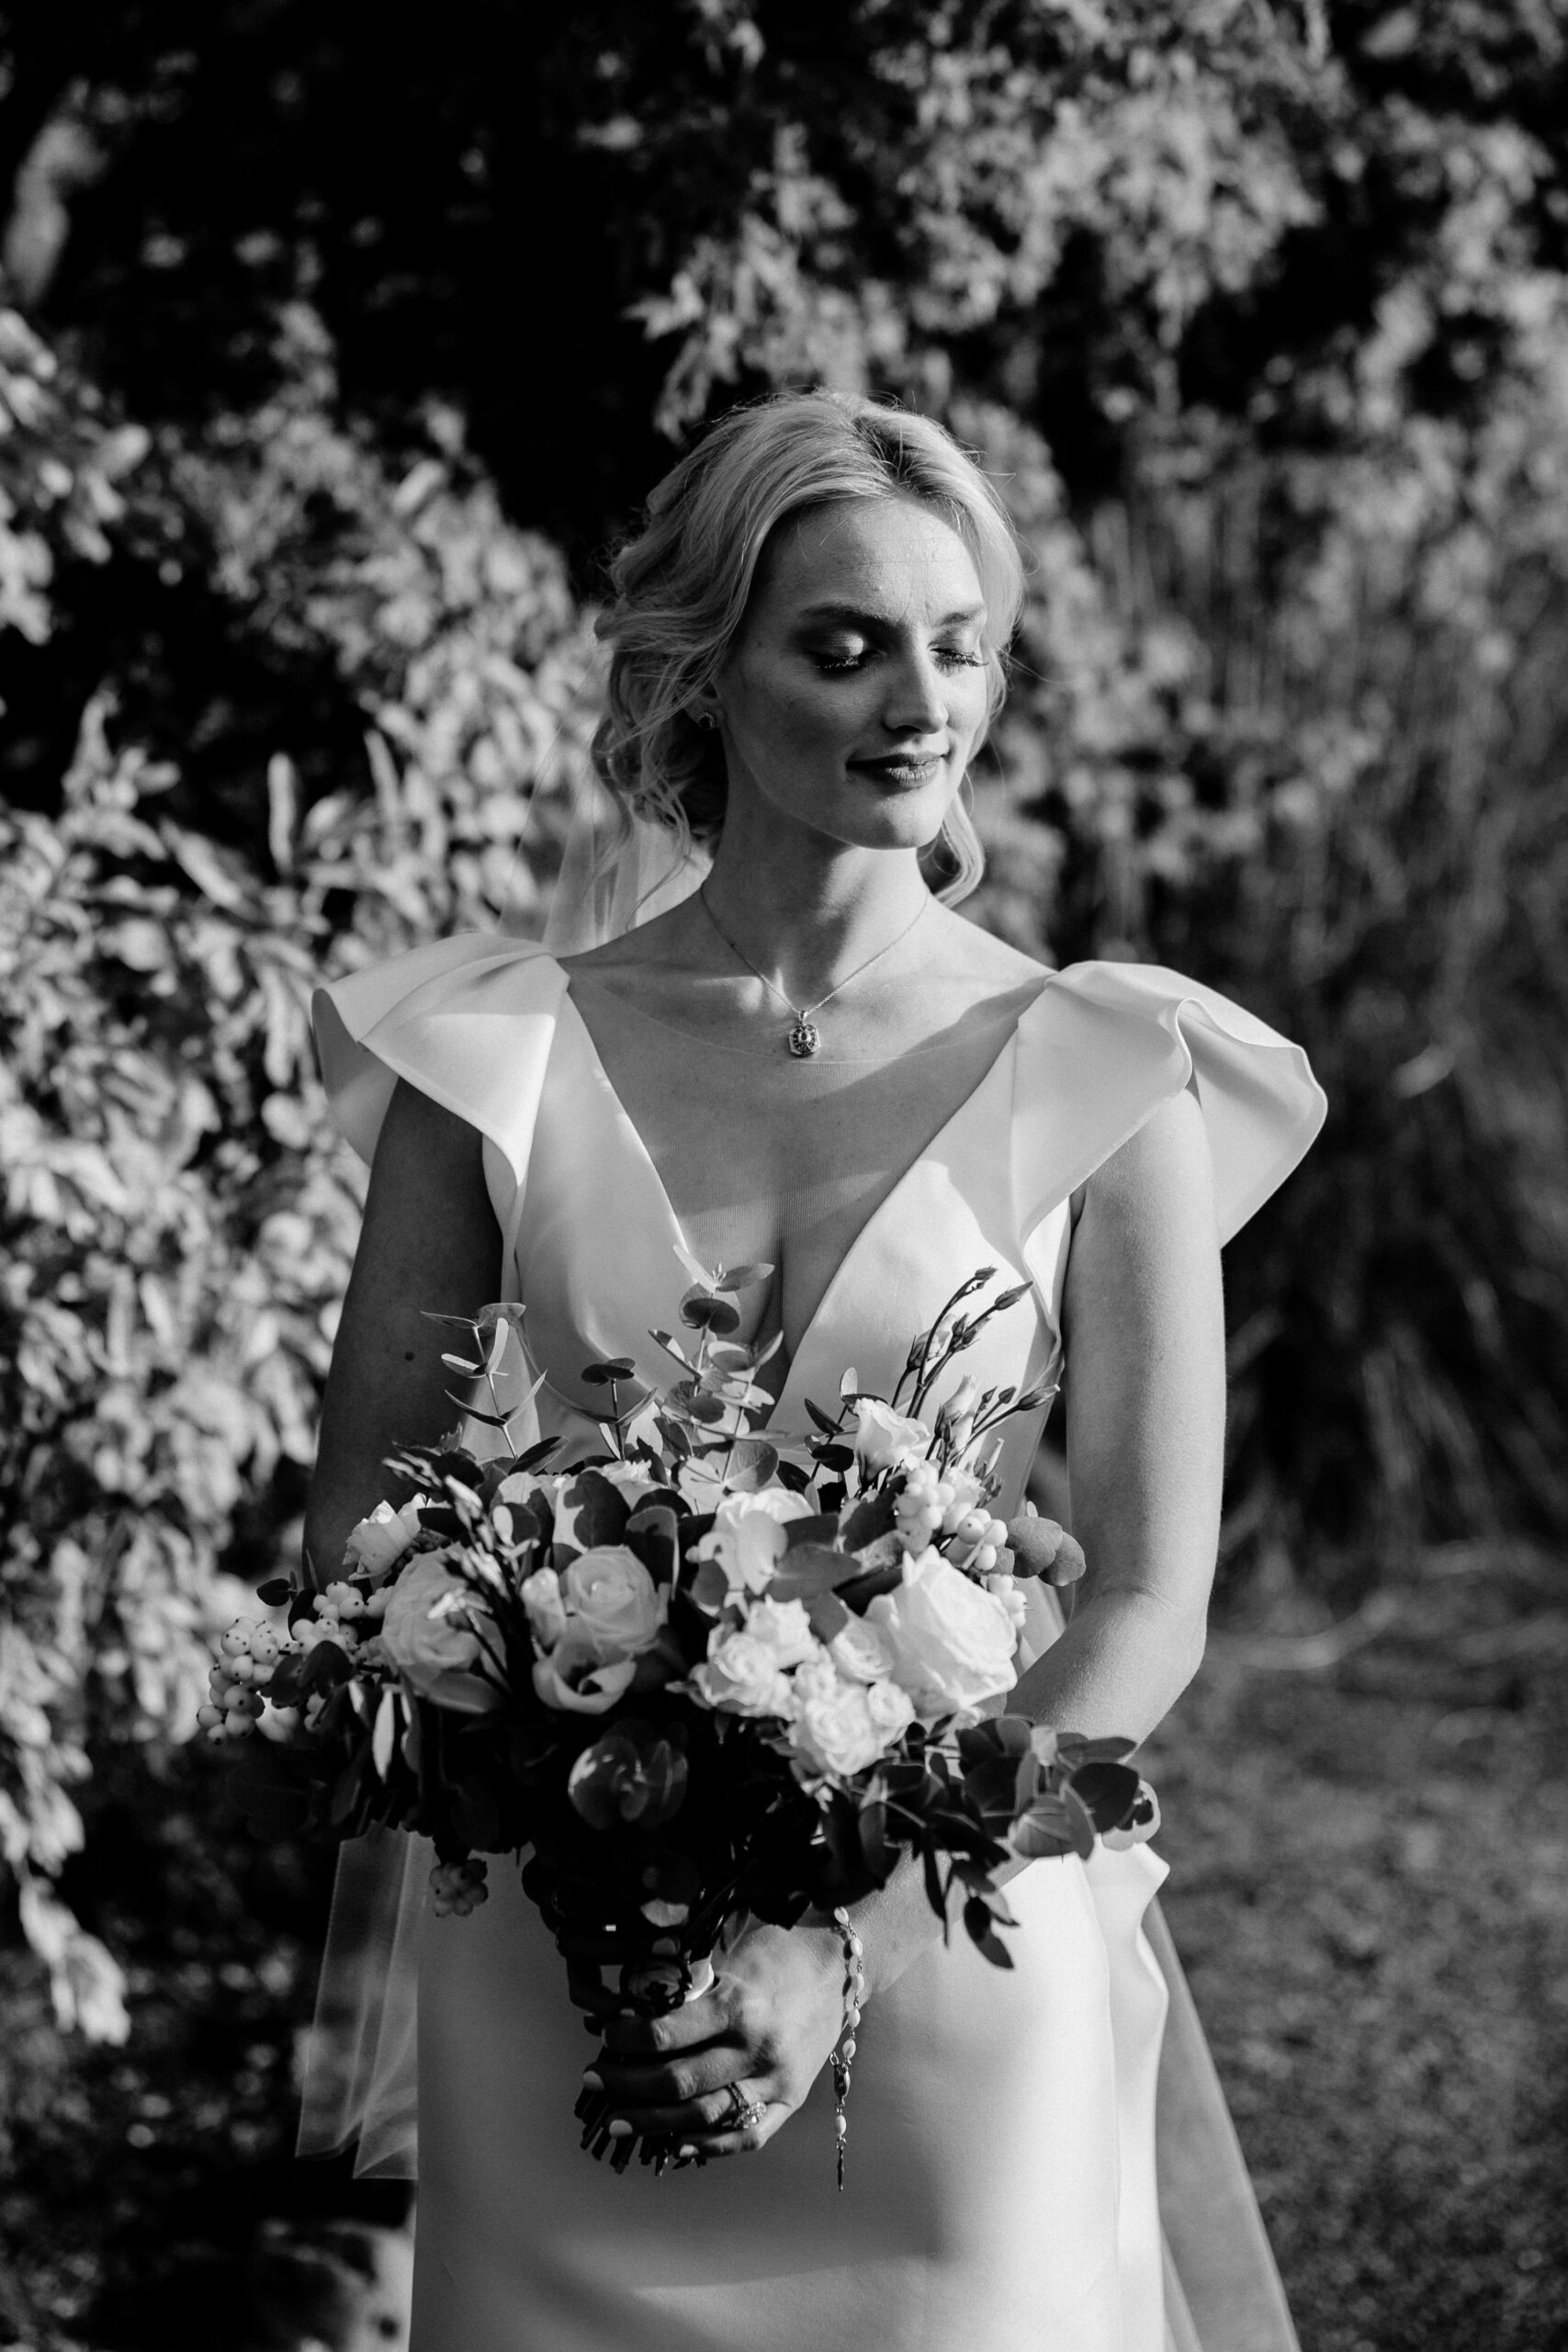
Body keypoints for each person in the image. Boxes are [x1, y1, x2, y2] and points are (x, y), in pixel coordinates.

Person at [304, 390, 1325, 2352]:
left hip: (947, 1953)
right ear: (706, 670)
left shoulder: (1109, 1065)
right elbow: (359, 1522)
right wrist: (554, 1782)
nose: (918, 696)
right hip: (567, 1967)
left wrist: (828, 1933)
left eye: (957, 642)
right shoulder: (494, 1053)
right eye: (841, 642)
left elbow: (1144, 1594)